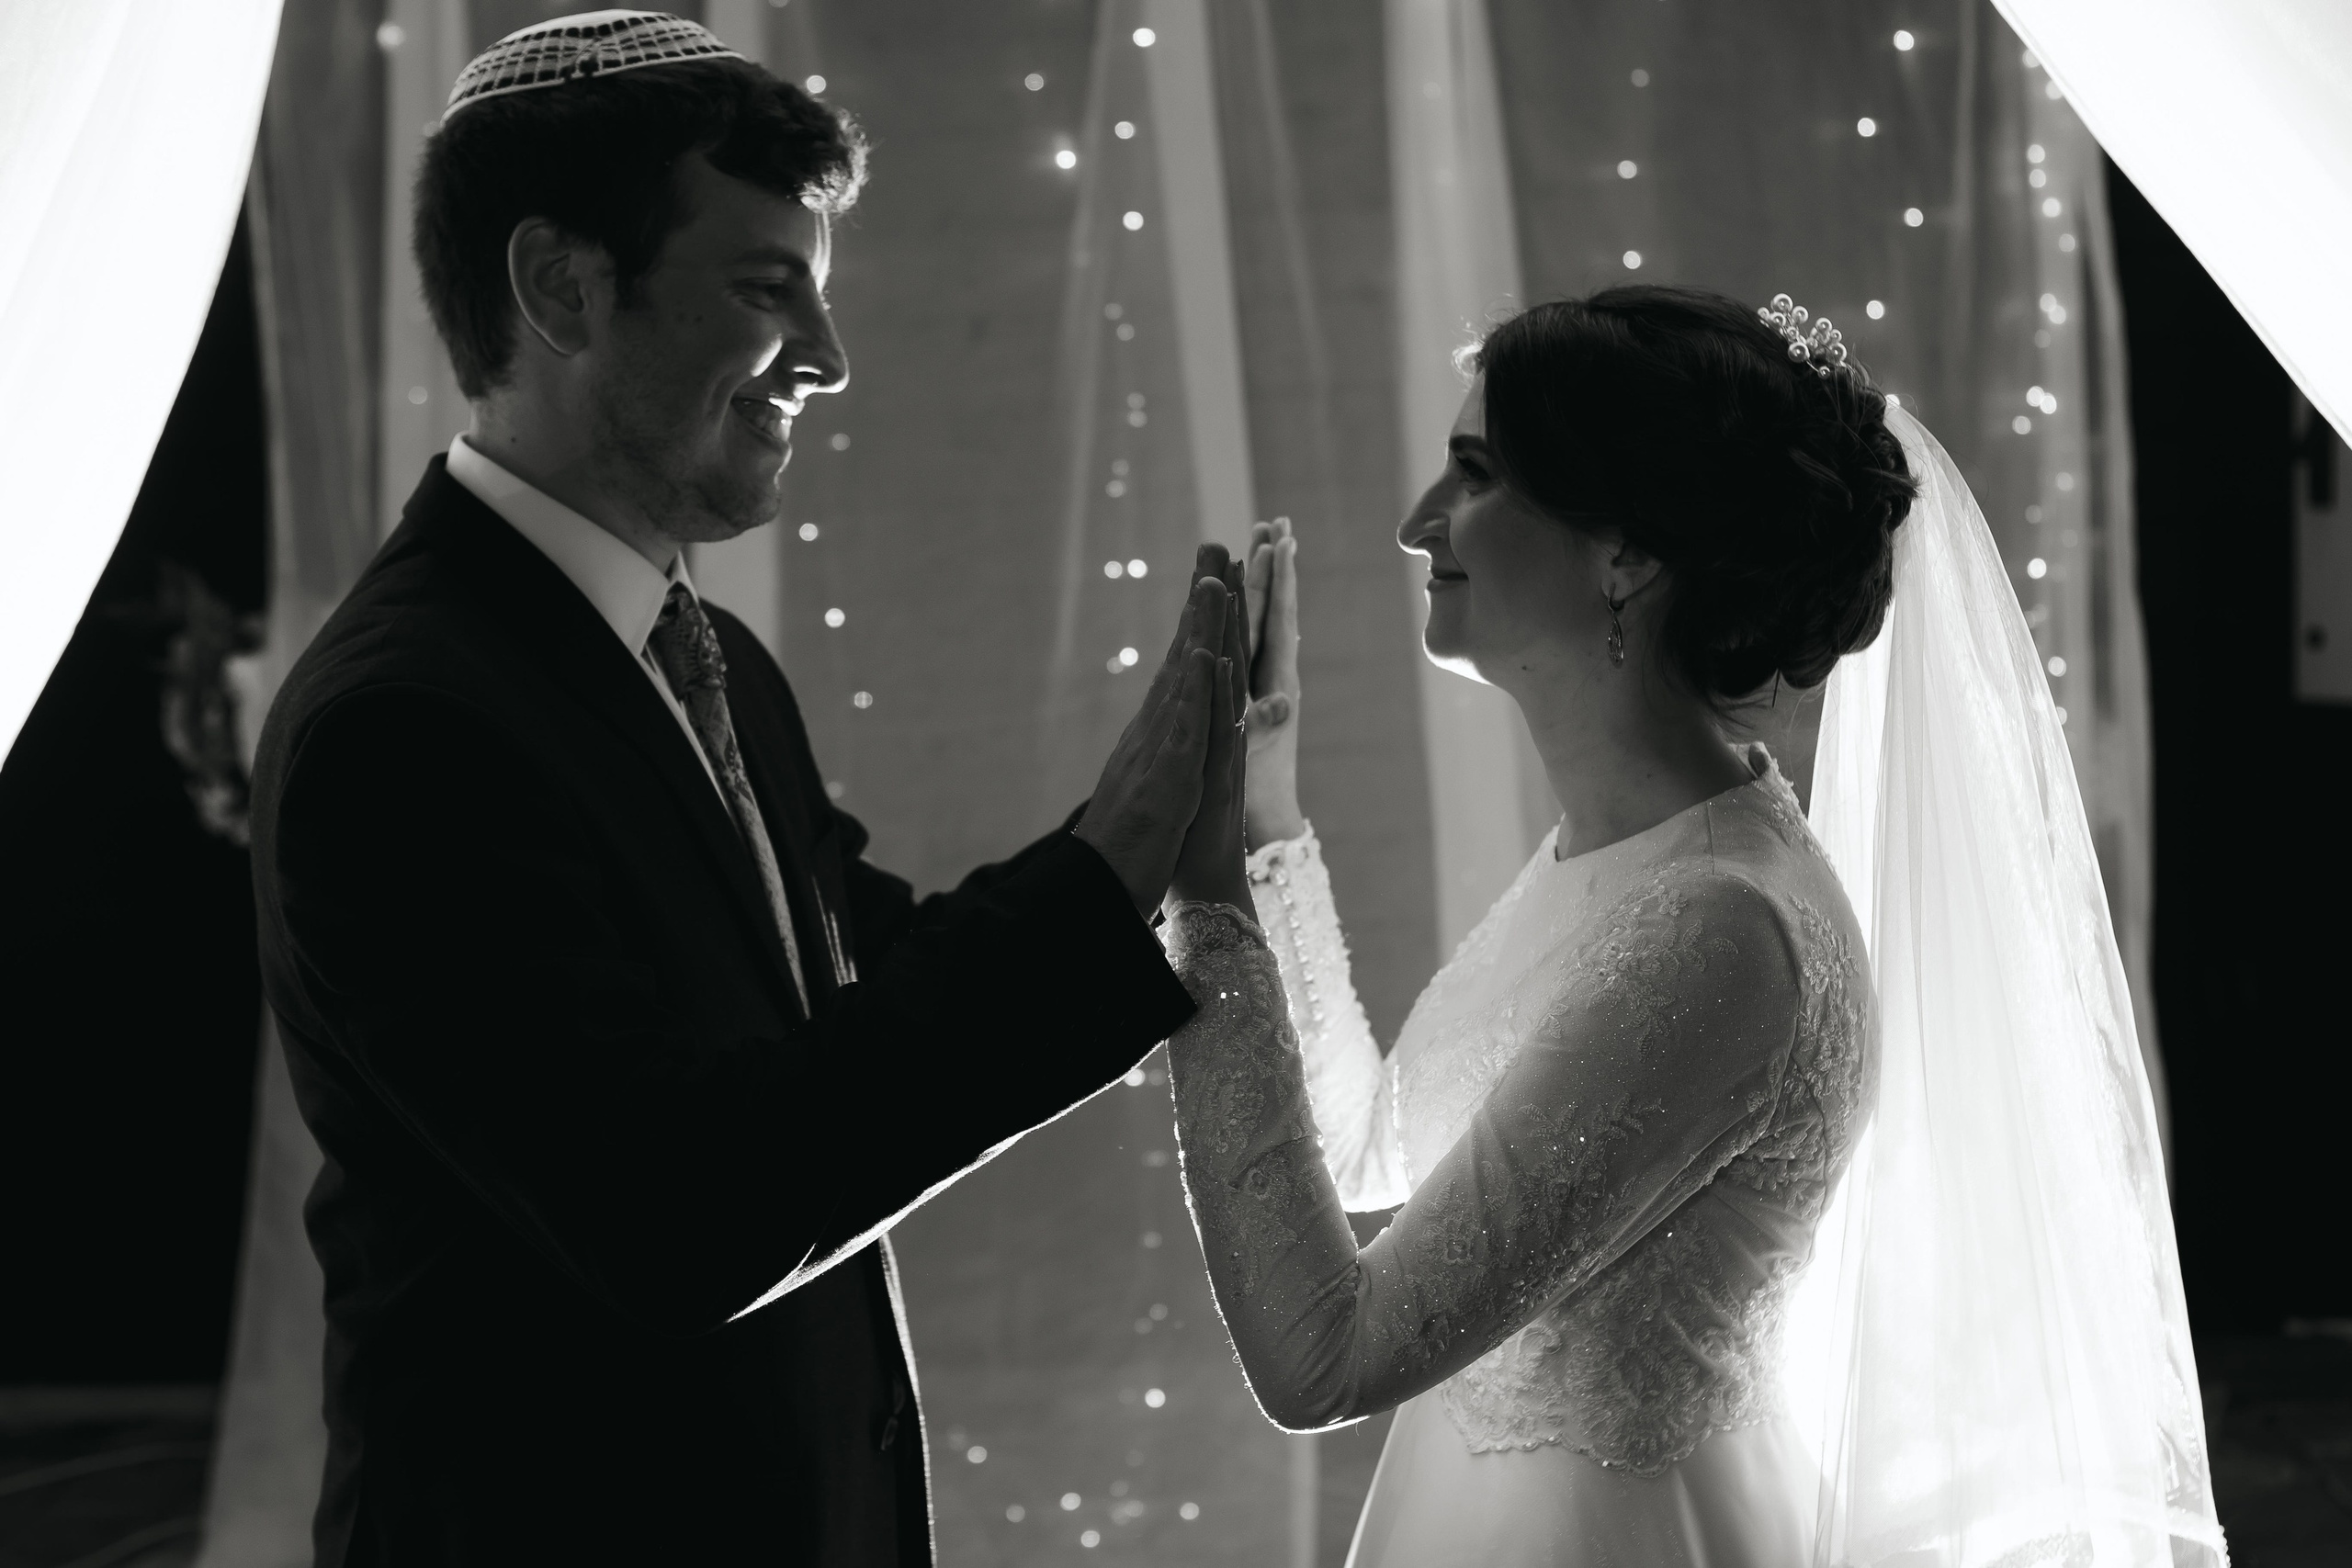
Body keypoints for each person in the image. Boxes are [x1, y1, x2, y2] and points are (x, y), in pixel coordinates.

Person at [246, 14, 1242, 1565]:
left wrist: (1164, 885)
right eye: (767, 289)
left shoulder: (711, 659)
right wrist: (1101, 874)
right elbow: (676, 1213)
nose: (828, 362)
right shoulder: (407, 727)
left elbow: (844, 981)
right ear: (560, 287)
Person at [1159, 286, 2223, 1565]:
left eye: (1476, 476)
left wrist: (1206, 903)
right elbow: (1371, 1152)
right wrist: (1267, 816)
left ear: (1627, 556)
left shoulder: (1725, 934)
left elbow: (1321, 1354)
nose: (1415, 526)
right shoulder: (1621, 859)